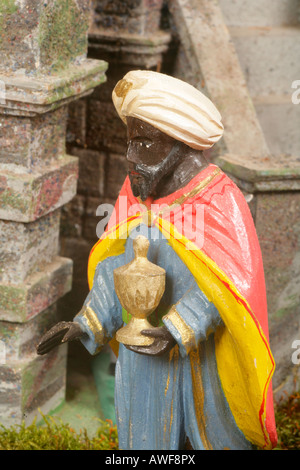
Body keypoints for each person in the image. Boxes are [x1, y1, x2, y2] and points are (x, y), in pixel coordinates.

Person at [37, 70, 277, 450]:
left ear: (181, 144)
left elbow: (229, 288)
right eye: (130, 142)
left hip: (201, 361)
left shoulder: (219, 200)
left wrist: (177, 330)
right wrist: (85, 323)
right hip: (142, 356)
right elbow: (114, 270)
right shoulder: (135, 195)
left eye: (144, 143)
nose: (130, 157)